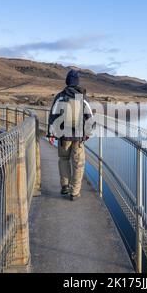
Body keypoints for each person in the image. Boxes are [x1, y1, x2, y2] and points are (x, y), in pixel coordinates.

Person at [47, 70, 94, 201]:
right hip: (78, 137)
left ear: (67, 81)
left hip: (63, 136)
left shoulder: (60, 96)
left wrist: (51, 133)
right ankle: (74, 192)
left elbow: (53, 116)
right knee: (78, 164)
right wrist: (88, 133)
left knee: (63, 160)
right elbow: (89, 117)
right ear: (77, 82)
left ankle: (65, 186)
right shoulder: (82, 97)